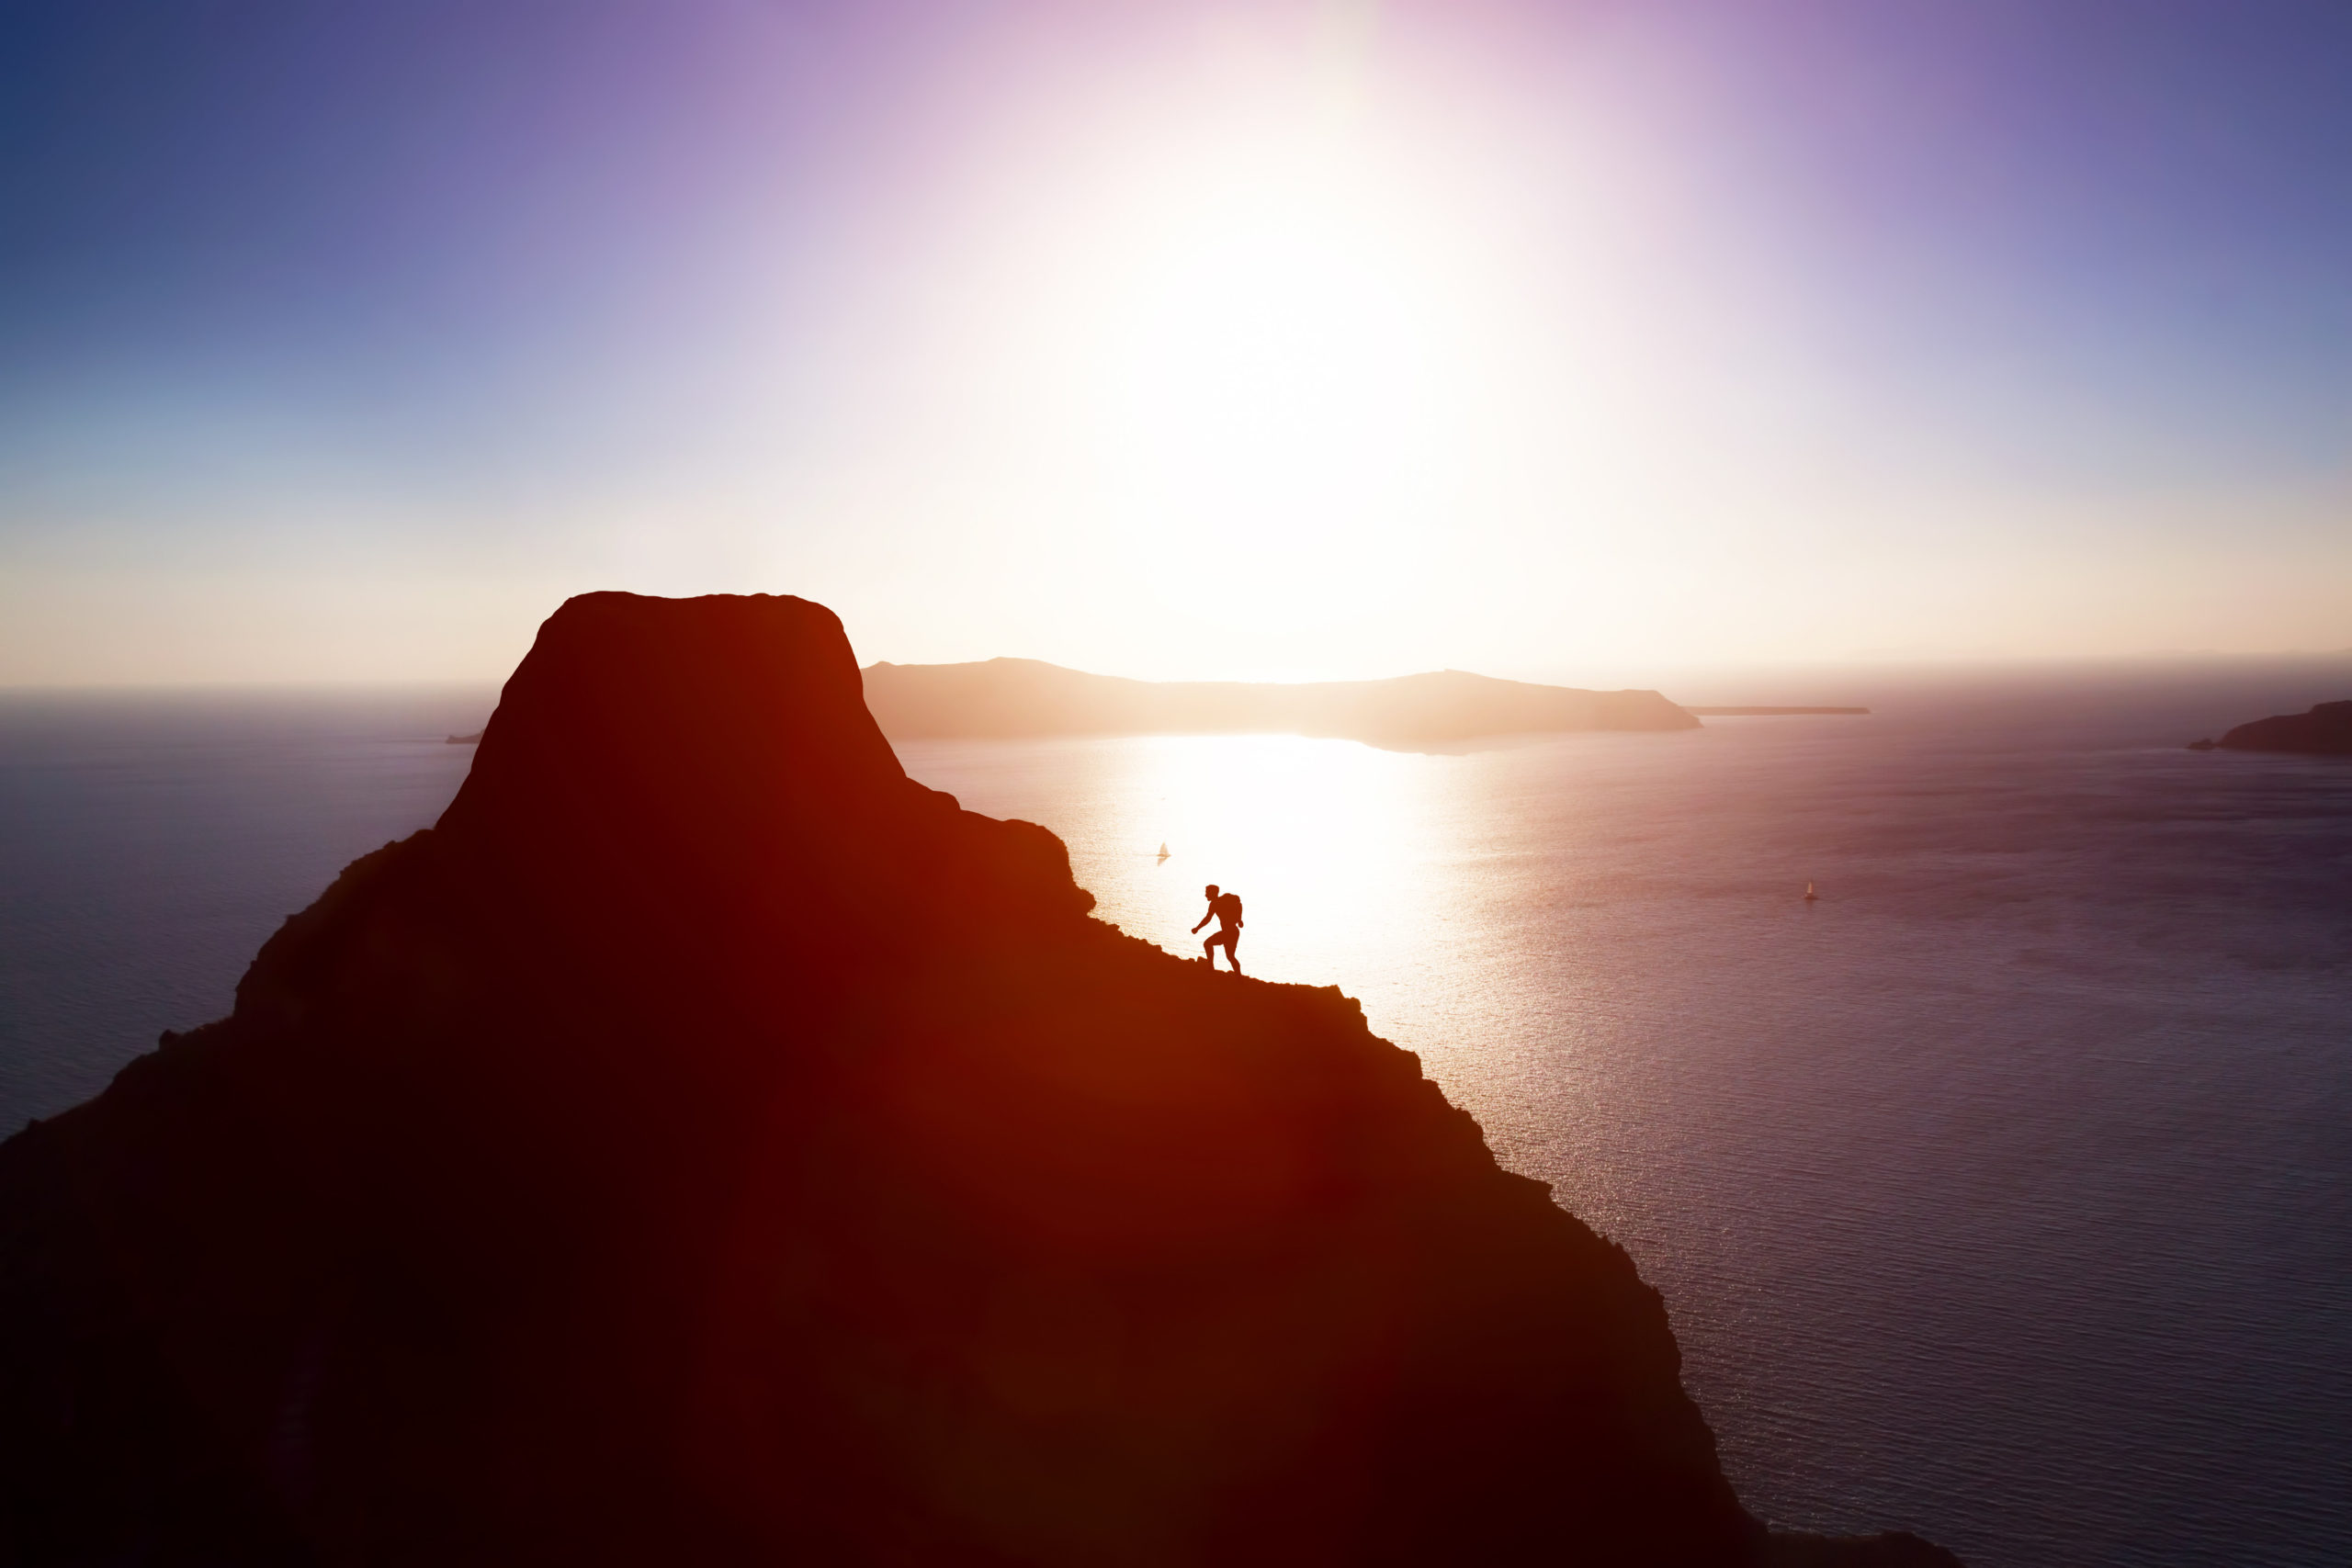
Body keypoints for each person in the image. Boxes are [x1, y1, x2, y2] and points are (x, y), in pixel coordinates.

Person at [1192, 884, 1244, 973]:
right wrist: (1239, 920)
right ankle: (1239, 979)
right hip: (1233, 932)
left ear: (1213, 893)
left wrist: (1197, 928)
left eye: (1207, 893)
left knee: (1208, 944)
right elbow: (1239, 904)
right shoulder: (1217, 902)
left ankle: (1211, 969)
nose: (1206, 895)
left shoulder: (1216, 903)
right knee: (1230, 956)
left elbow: (1208, 918)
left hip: (1229, 932)